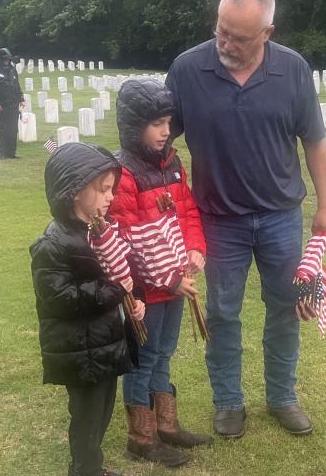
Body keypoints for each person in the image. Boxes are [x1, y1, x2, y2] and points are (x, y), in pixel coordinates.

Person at [164, 0, 326, 439]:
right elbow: (162, 140)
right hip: (218, 219)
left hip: (281, 216)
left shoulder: (293, 70)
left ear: (268, 32)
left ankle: (281, 396)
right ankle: (228, 402)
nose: (225, 43)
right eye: (221, 30)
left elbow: (315, 142)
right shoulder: (187, 69)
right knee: (222, 312)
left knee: (285, 307)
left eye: (239, 37)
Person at [108, 79, 212, 467]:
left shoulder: (173, 163)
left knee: (164, 352)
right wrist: (166, 277)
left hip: (175, 284)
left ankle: (165, 425)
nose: (165, 131)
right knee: (144, 357)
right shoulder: (124, 173)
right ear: (134, 126)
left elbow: (186, 213)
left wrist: (195, 249)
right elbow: (126, 238)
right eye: (155, 124)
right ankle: (141, 435)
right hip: (146, 291)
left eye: (167, 122)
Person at [30, 142, 146, 476]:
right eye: (103, 189)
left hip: (105, 344)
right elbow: (60, 297)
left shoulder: (103, 233)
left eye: (111, 189)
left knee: (102, 413)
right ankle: (85, 470)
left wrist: (133, 302)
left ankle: (90, 466)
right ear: (74, 191)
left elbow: (123, 273)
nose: (111, 197)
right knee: (87, 416)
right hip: (80, 350)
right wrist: (114, 290)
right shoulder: (53, 244)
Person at [0, 47, 25, 159]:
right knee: (4, 128)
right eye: (5, 59)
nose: (7, 61)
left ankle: (12, 152)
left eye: (8, 59)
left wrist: (21, 98)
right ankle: (2, 153)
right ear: (0, 59)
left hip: (13, 104)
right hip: (1, 105)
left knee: (13, 129)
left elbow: (17, 85)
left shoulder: (12, 70)